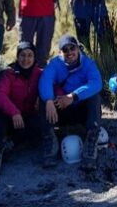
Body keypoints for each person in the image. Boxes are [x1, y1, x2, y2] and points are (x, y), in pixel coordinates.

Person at [38, 34, 102, 170]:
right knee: (44, 100)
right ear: (61, 52)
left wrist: (73, 97)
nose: (69, 53)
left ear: (78, 48)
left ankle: (91, 142)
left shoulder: (88, 64)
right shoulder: (55, 64)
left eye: (72, 48)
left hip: (80, 109)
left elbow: (96, 83)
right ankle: (49, 141)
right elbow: (46, 79)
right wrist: (49, 100)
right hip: (60, 110)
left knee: (95, 97)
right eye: (65, 50)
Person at [0, 41, 43, 183]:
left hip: (28, 118)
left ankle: (12, 143)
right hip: (11, 118)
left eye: (30, 55)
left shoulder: (40, 73)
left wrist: (42, 99)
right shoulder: (9, 74)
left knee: (41, 120)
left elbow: (52, 87)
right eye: (22, 55)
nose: (26, 59)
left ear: (35, 57)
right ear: (17, 57)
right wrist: (14, 112)